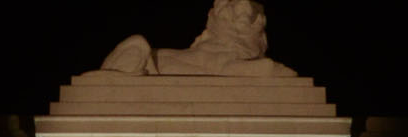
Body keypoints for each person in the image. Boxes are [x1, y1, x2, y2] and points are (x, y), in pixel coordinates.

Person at [99, 0, 294, 77]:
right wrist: (274, 69)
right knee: (138, 42)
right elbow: (229, 69)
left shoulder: (235, 46)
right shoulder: (217, 50)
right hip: (143, 64)